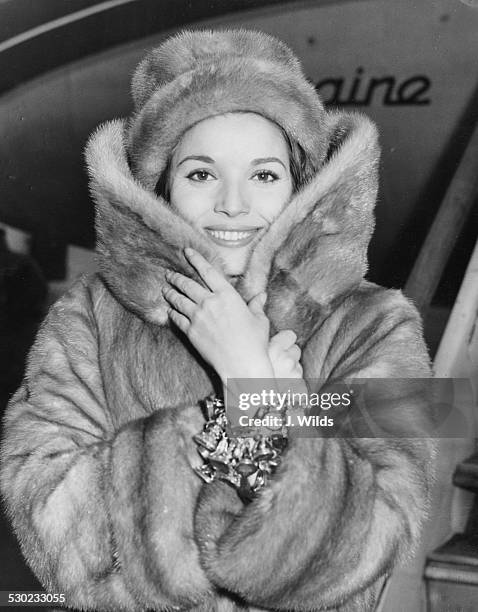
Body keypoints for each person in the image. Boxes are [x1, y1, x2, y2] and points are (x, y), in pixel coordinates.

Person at [0, 29, 436, 611]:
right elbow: (60, 539)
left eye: (264, 175)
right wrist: (234, 415)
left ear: (301, 186)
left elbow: (369, 550)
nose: (233, 203)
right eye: (202, 174)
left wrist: (251, 386)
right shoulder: (87, 317)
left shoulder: (379, 325)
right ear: (161, 188)